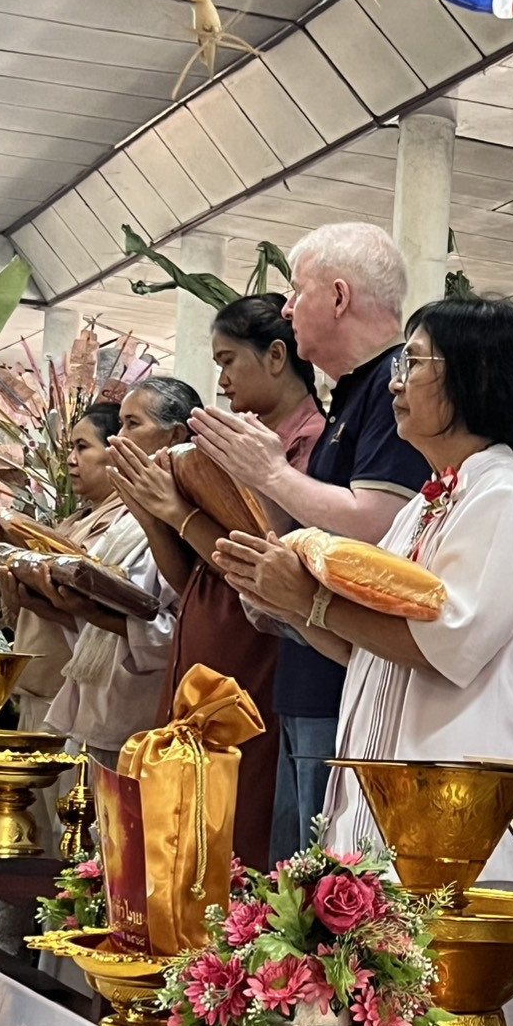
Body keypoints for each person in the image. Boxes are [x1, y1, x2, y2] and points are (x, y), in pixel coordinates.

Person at [211, 295, 513, 872]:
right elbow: (362, 648)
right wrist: (289, 605)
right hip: (388, 794)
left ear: (472, 377)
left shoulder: (503, 496)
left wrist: (311, 601)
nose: (396, 385)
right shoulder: (428, 503)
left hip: (452, 808)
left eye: (413, 364)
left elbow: (444, 645)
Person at [188, 223, 429, 862]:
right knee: (293, 882)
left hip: (347, 669)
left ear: (340, 296)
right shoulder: (353, 390)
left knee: (328, 889)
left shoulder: (391, 387)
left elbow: (377, 525)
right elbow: (308, 532)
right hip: (310, 665)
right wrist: (252, 485)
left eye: (298, 291)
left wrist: (270, 472)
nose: (288, 308)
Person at [106, 313, 323, 869]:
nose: (220, 381)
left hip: (253, 664)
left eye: (228, 361)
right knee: (174, 837)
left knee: (233, 838)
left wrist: (176, 511)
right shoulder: (232, 446)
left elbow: (255, 561)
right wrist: (154, 511)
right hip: (201, 650)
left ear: (277, 357)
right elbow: (194, 579)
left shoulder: (308, 446)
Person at [27, 392, 182, 778]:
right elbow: (93, 628)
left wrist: (91, 610)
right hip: (91, 702)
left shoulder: (182, 515)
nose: (119, 439)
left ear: (174, 436)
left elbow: (182, 627)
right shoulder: (127, 517)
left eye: (133, 425)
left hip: (139, 716)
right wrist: (53, 602)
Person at [0, 407, 125, 735]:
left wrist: (3, 553)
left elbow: (81, 598)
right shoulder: (74, 521)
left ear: (117, 451)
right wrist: (5, 560)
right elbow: (22, 614)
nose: (71, 459)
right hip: (39, 691)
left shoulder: (123, 522)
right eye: (70, 448)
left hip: (75, 696)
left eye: (82, 447)